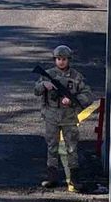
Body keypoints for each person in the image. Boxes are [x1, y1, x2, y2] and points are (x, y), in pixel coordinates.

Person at [34, 45, 94, 192]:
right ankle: (52, 177)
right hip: (51, 116)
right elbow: (36, 90)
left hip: (69, 117)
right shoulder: (48, 74)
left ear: (69, 60)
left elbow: (88, 95)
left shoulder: (76, 76)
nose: (61, 62)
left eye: (64, 59)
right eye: (58, 59)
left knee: (71, 148)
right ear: (55, 60)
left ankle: (75, 179)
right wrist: (44, 85)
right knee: (52, 147)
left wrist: (72, 101)